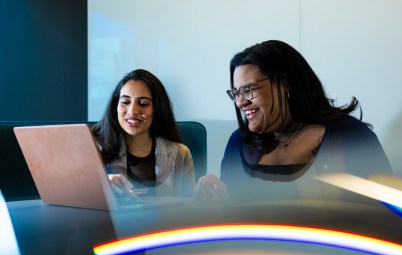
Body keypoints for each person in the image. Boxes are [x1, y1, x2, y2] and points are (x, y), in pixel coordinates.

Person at [196, 40, 393, 203]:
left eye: (249, 89)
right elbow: (233, 216)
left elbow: (383, 214)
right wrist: (216, 197)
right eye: (236, 92)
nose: (240, 102)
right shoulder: (239, 142)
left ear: (285, 84)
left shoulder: (351, 137)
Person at [92, 69, 195, 198]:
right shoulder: (93, 148)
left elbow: (189, 208)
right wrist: (100, 184)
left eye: (143, 103)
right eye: (125, 102)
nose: (133, 111)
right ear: (115, 107)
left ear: (157, 109)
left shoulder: (181, 154)